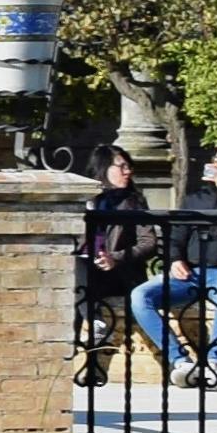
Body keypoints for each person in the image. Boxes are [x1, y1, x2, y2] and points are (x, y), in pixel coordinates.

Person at [135, 143, 217, 383]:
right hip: (190, 275)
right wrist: (175, 260)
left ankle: (214, 361)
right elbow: (177, 235)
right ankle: (180, 361)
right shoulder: (195, 199)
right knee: (141, 296)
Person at [73, 151, 158, 385]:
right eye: (121, 166)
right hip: (86, 272)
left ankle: (81, 340)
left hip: (119, 274)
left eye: (128, 166)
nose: (127, 171)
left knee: (77, 284)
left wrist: (115, 258)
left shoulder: (133, 202)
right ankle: (95, 337)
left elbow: (149, 243)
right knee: (77, 265)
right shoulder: (84, 200)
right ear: (103, 169)